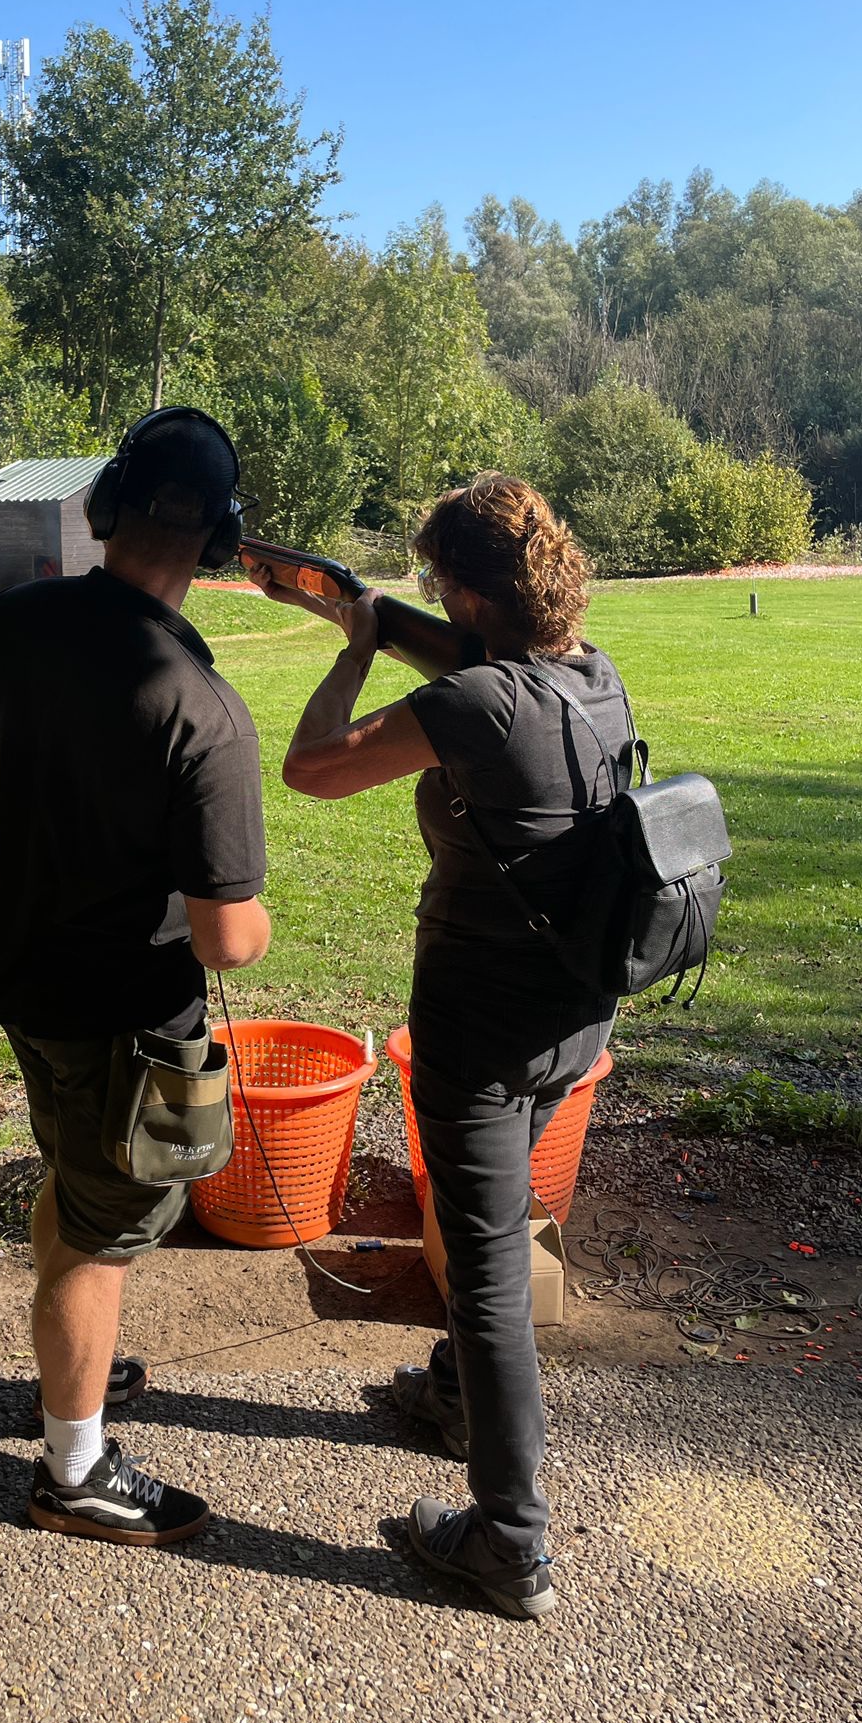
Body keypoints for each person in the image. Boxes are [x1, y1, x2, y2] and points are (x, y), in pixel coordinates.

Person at [254, 474, 627, 1620]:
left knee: (487, 1268)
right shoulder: (591, 675)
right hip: (572, 1017)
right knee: (497, 1223)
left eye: (436, 588)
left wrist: (356, 647)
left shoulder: (476, 705)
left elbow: (311, 766)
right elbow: (475, 668)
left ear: (466, 594)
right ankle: (461, 1394)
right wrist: (354, 603)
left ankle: (510, 1539)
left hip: (482, 1033)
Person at [0, 408, 271, 1548]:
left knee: (72, 1181)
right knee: (103, 1228)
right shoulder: (205, 708)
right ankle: (74, 1470)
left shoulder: (10, 620)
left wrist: (52, 818)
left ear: (108, 506)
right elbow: (228, 940)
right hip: (129, 1017)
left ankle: (67, 1376)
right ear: (218, 542)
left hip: (26, 981)